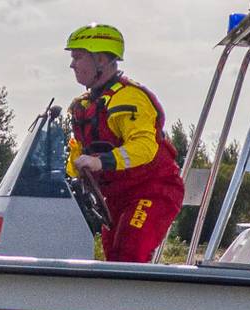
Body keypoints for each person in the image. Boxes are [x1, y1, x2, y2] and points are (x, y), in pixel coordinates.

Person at [61, 23, 188, 264]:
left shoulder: (129, 98)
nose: (72, 64)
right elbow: (78, 156)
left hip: (152, 190)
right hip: (115, 198)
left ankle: (140, 301)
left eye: (77, 56)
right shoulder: (84, 106)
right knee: (115, 259)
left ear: (100, 59)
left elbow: (144, 148)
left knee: (130, 252)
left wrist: (100, 162)